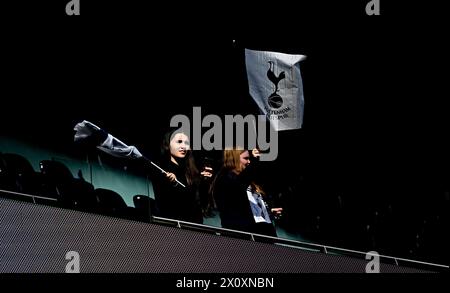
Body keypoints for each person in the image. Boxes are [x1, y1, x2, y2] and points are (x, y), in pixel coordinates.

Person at [211, 148, 282, 237]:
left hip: (263, 236)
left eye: (249, 159)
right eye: (246, 158)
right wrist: (256, 159)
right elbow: (235, 201)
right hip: (242, 239)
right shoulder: (225, 180)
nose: (249, 162)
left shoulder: (246, 181)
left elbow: (249, 208)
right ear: (234, 159)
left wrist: (268, 212)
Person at [151, 129, 213, 224]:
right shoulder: (161, 167)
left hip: (194, 225)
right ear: (168, 144)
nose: (183, 146)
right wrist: (173, 184)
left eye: (186, 143)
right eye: (179, 142)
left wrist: (205, 183)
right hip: (172, 225)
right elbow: (166, 202)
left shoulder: (191, 170)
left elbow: (200, 204)